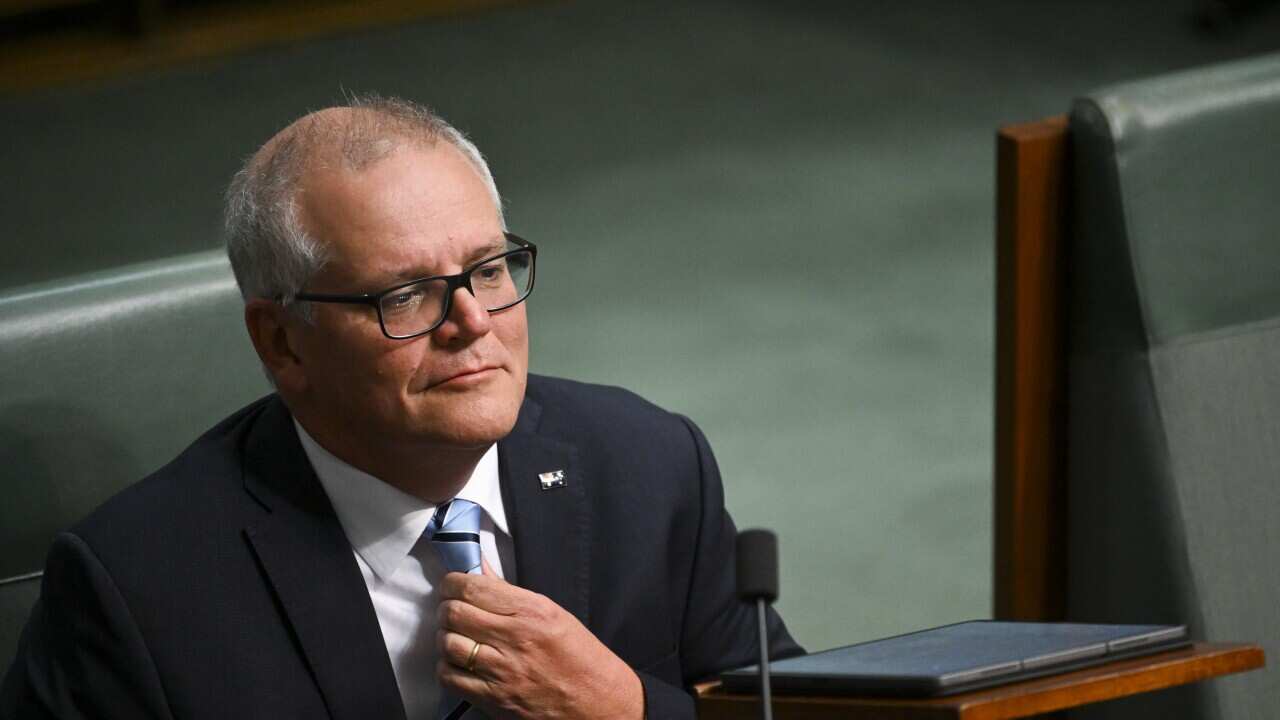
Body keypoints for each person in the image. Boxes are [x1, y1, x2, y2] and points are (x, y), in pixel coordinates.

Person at [0, 96, 800, 719]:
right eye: (407, 294)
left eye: (489, 270)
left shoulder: (650, 466)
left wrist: (624, 710)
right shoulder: (136, 592)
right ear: (282, 342)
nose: (473, 322)